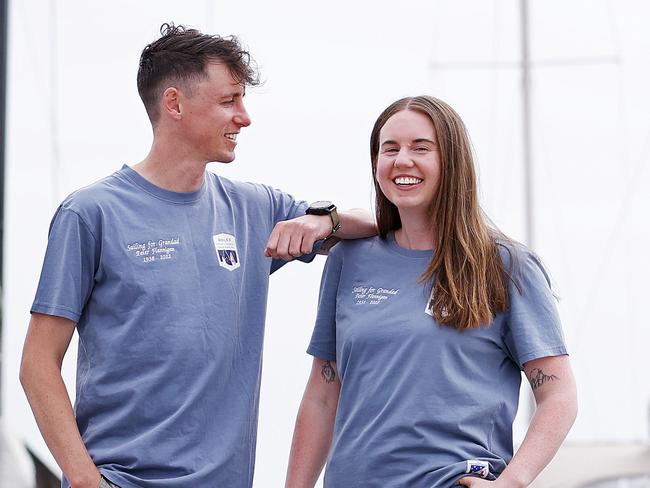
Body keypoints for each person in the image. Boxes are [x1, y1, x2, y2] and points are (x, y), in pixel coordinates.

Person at [19, 24, 375, 488]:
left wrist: (324, 219)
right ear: (174, 104)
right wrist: (86, 481)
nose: (244, 118)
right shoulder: (90, 214)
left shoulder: (256, 208)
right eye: (230, 101)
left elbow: (379, 219)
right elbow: (37, 364)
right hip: (121, 479)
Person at [285, 95, 577, 488]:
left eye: (421, 148)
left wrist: (513, 481)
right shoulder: (348, 260)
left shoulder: (507, 266)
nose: (402, 160)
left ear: (452, 161)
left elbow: (558, 394)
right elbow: (322, 394)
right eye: (390, 149)